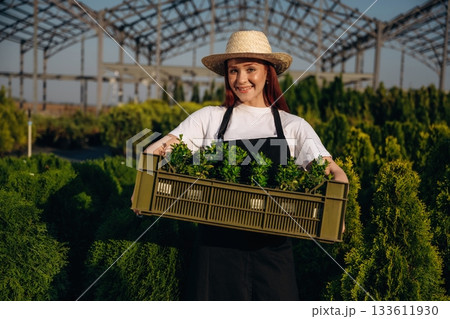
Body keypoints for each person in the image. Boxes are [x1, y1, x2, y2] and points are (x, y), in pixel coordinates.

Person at [132, 30, 348, 300]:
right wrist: (143, 183)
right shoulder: (209, 118)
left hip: (272, 252)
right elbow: (161, 147)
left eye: (250, 69)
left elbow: (332, 171)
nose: (241, 79)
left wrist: (336, 208)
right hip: (215, 250)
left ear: (268, 73)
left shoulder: (293, 126)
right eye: (234, 71)